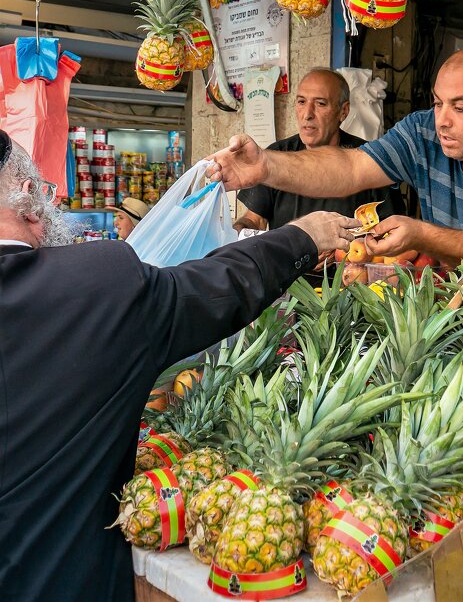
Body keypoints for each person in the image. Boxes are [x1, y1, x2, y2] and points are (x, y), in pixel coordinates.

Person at [0, 130, 356, 602]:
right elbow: (211, 289)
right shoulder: (95, 284)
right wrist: (302, 238)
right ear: (28, 200)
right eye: (47, 191)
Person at [209, 46, 463, 284]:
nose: (443, 121)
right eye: (438, 104)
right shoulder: (422, 132)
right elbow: (351, 168)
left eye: (460, 107)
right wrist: (265, 166)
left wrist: (420, 234)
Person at [233, 67, 399, 232]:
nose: (307, 114)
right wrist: (237, 232)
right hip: (288, 257)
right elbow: (255, 219)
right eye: (301, 102)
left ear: (343, 111)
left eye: (320, 104)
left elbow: (389, 231)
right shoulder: (277, 156)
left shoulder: (369, 159)